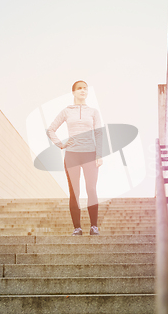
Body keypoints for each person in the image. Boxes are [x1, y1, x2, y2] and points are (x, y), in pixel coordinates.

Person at [46, 80, 103, 235]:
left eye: (85, 88)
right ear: (73, 92)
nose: (82, 90)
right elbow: (51, 129)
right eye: (79, 88)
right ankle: (77, 228)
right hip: (71, 155)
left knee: (91, 189)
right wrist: (60, 144)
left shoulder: (93, 112)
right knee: (74, 191)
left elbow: (98, 133)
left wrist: (99, 155)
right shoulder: (67, 111)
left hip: (90, 154)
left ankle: (94, 226)